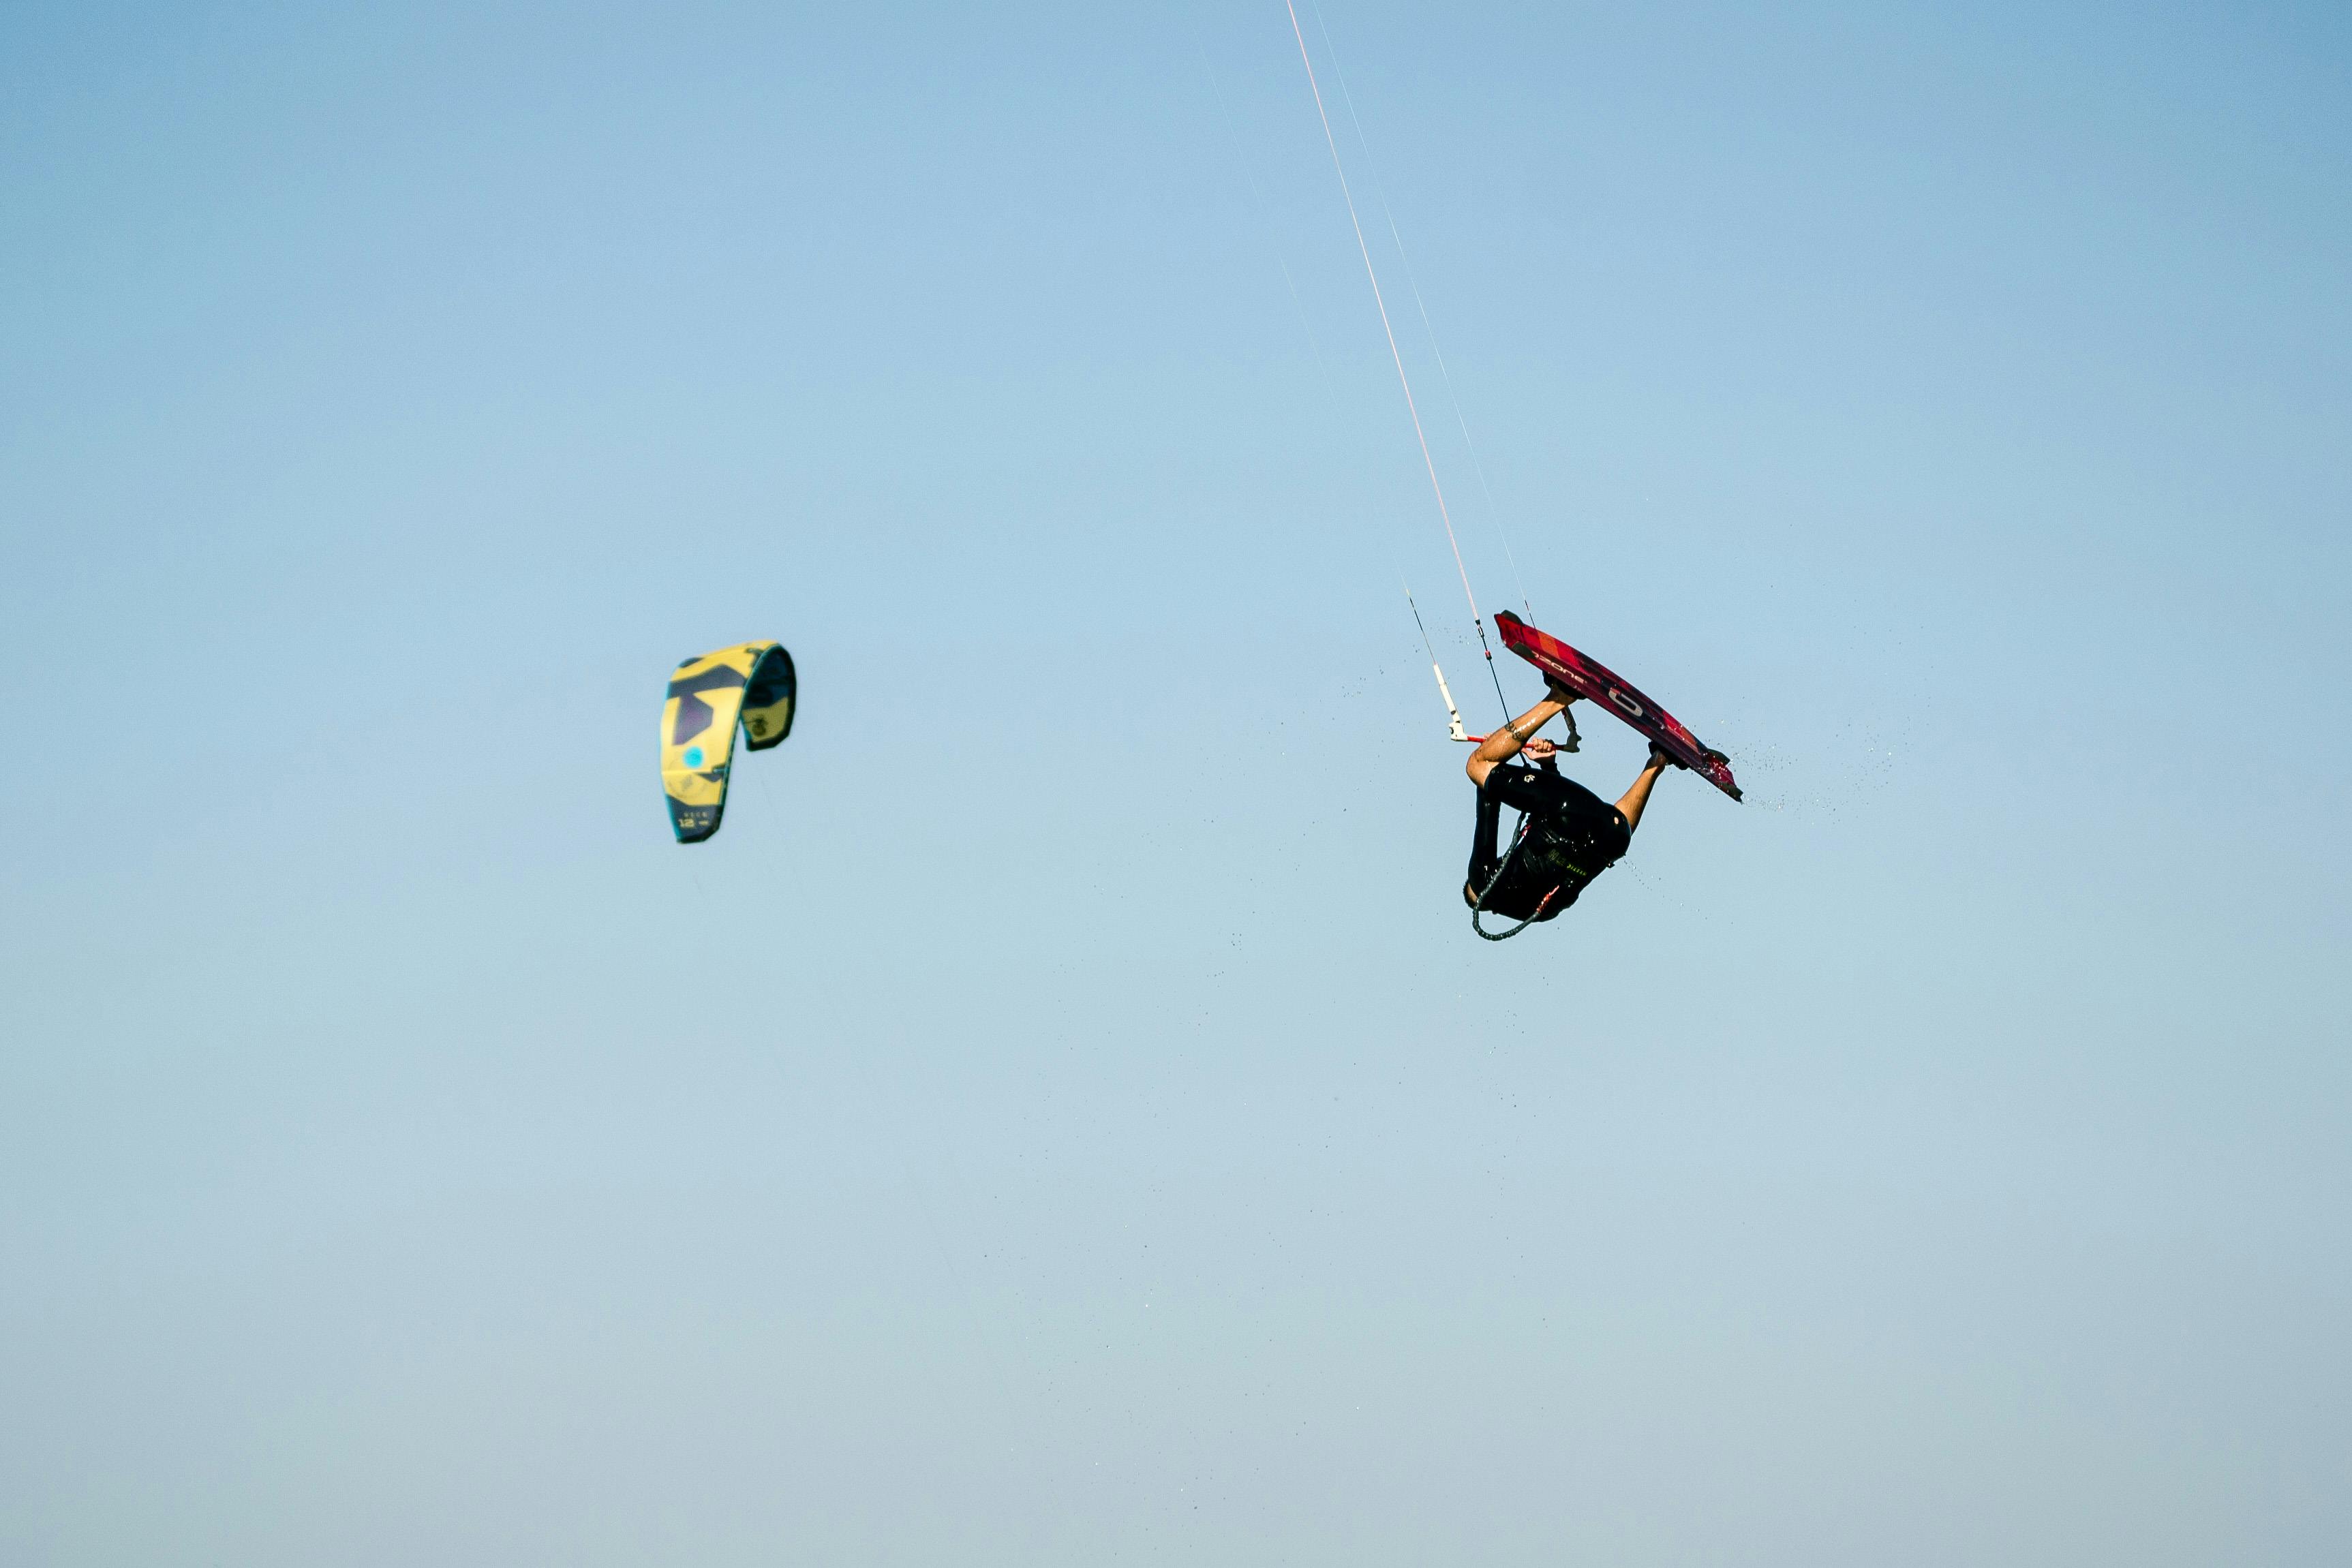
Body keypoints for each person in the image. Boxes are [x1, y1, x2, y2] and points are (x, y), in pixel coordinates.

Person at [1463, 682, 1674, 930]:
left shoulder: (1541, 913)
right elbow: (1488, 812)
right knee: (1479, 765)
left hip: (1612, 839)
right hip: (1565, 815)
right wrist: (1494, 753)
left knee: (1615, 827)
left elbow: (1562, 845)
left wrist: (1548, 766)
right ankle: (1560, 697)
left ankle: (1659, 760)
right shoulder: (1482, 881)